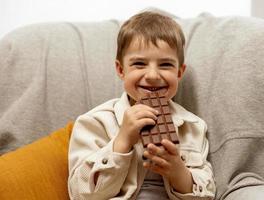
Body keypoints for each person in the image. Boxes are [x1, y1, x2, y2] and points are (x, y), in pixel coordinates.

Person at [68, 11, 216, 200]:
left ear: (179, 72)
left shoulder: (193, 127)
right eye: (139, 63)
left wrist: (179, 172)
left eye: (165, 65)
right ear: (121, 70)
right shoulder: (94, 123)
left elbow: (208, 194)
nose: (153, 75)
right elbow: (81, 195)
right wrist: (122, 141)